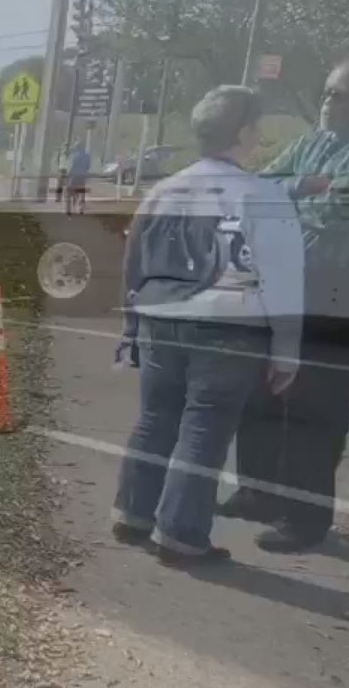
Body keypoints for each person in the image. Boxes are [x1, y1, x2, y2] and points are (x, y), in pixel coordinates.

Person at [221, 53, 349, 552]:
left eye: (341, 95)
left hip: (341, 289)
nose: (328, 103)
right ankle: (259, 492)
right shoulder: (318, 141)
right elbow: (257, 187)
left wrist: (291, 199)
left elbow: (344, 205)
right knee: (261, 389)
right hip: (286, 282)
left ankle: (304, 518)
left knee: (315, 406)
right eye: (327, 91)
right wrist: (299, 190)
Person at [112, 86, 305, 565]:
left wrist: (132, 326)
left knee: (156, 418)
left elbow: (134, 261)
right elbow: (283, 277)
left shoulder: (163, 190)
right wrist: (287, 350)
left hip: (161, 317)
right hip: (227, 324)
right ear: (242, 133)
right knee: (205, 428)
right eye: (256, 127)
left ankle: (132, 514)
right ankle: (180, 535)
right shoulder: (263, 195)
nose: (258, 136)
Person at [67, 141, 92, 214]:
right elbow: (88, 166)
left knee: (74, 189)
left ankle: (74, 205)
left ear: (78, 148)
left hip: (75, 175)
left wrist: (69, 174)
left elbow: (73, 166)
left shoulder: (75, 156)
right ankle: (81, 205)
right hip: (83, 175)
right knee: (82, 189)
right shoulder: (87, 156)